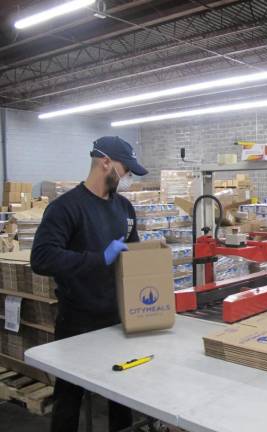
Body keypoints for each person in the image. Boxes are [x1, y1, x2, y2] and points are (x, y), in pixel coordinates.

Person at [30, 136, 148, 432]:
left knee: (122, 396)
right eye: (125, 170)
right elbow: (42, 258)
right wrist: (99, 258)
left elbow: (132, 256)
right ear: (105, 162)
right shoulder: (66, 208)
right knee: (69, 398)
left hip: (118, 319)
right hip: (77, 322)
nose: (127, 178)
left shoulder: (124, 208)